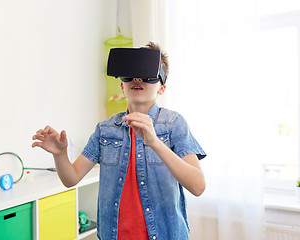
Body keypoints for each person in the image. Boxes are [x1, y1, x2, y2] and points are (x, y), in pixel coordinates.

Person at [32, 42, 206, 240]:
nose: (137, 78)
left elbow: (198, 186)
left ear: (162, 87)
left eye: (148, 75)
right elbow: (71, 178)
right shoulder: (105, 129)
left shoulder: (174, 124)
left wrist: (155, 142)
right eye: (129, 74)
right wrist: (60, 154)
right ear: (122, 86)